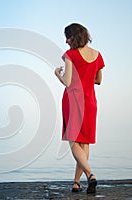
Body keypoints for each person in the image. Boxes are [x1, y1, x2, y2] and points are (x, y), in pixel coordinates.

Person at [55, 23, 105, 194]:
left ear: (74, 37)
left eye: (67, 37)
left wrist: (57, 74)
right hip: (90, 101)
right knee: (84, 143)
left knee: (73, 140)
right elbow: (98, 80)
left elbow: (67, 82)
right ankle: (76, 183)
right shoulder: (97, 55)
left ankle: (90, 175)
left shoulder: (70, 54)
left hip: (73, 100)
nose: (66, 41)